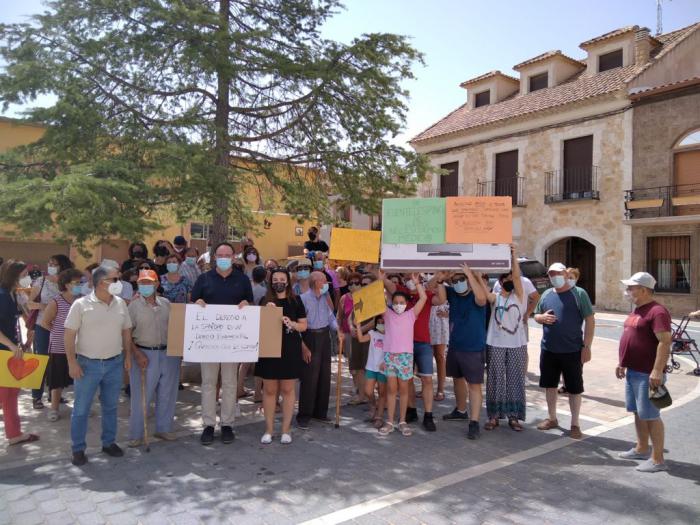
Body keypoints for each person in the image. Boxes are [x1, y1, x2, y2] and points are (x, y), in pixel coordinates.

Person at [64, 264, 134, 466]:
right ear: (101, 283)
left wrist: (128, 356)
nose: (118, 283)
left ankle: (108, 442)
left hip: (114, 363)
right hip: (87, 365)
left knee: (111, 407)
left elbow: (126, 331)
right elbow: (69, 335)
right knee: (81, 409)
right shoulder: (80, 305)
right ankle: (78, 449)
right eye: (114, 279)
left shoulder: (120, 303)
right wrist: (72, 362)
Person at [191, 242, 253, 445]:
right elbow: (193, 304)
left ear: (234, 257)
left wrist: (246, 305)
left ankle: (227, 424)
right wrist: (197, 304)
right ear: (214, 257)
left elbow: (250, 305)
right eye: (221, 254)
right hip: (208, 343)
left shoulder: (242, 280)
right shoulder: (204, 279)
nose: (225, 257)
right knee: (208, 383)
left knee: (229, 383)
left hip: (232, 343)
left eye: (228, 254)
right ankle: (208, 425)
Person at [616, 272, 671, 472]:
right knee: (638, 413)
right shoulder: (637, 311)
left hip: (647, 374)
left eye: (631, 288)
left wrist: (657, 371)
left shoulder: (657, 312)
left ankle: (658, 460)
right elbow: (630, 338)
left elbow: (665, 341)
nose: (627, 291)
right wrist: (622, 362)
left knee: (651, 415)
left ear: (644, 289)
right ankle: (641, 448)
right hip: (633, 372)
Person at [534, 262, 595, 440]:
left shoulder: (579, 294)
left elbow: (590, 321)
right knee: (550, 385)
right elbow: (536, 315)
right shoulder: (546, 294)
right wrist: (541, 317)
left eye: (557, 273)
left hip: (572, 350)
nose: (554, 277)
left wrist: (587, 347)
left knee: (574, 389)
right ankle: (552, 418)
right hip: (549, 349)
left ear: (565, 273)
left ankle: (575, 424)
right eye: (551, 274)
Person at [127, 270, 181, 446]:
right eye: (142, 283)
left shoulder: (166, 303)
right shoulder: (133, 306)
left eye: (149, 283)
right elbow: (126, 334)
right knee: (141, 395)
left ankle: (163, 428)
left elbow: (176, 328)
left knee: (167, 393)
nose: (145, 286)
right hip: (144, 354)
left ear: (157, 284)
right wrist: (136, 353)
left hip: (168, 353)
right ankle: (136, 433)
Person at [436, 264, 488, 440]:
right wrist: (442, 278)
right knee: (457, 379)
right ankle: (460, 410)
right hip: (455, 345)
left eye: (461, 279)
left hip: (473, 348)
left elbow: (482, 300)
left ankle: (474, 422)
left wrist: (470, 274)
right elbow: (440, 298)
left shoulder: (476, 293)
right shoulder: (451, 293)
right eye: (455, 280)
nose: (458, 282)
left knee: (474, 385)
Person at [256, 268, 307, 444]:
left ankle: (286, 429)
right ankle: (269, 430)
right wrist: (266, 311)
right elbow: (257, 324)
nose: (279, 282)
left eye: (282, 279)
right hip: (269, 350)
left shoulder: (296, 300)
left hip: (290, 350)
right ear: (271, 282)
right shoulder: (264, 300)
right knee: (269, 390)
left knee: (287, 390)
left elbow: (304, 326)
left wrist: (292, 324)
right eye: (275, 279)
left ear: (287, 282)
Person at [484, 246, 528, 432]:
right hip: (495, 344)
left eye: (512, 278)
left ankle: (514, 417)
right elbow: (483, 290)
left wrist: (514, 256)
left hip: (517, 344)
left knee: (515, 379)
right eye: (507, 278)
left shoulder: (520, 296)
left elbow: (517, 277)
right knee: (495, 379)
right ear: (501, 282)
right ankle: (494, 416)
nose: (511, 280)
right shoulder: (495, 298)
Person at [379, 273, 427, 437]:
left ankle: (402, 421)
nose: (398, 305)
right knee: (391, 390)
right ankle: (390, 421)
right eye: (396, 302)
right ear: (391, 303)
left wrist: (417, 283)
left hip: (405, 357)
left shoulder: (411, 314)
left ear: (406, 304)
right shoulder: (387, 314)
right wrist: (380, 280)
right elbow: (378, 297)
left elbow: (423, 298)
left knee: (404, 390)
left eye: (402, 303)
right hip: (390, 357)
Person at [0, 260, 40, 445]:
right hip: (4, 352)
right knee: (7, 395)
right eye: (24, 275)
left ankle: (14, 433)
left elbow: (14, 322)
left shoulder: (12, 295)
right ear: (13, 276)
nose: (26, 280)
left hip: (12, 351)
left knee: (10, 395)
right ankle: (14, 433)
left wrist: (24, 342)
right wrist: (11, 345)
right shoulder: (2, 296)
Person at [28, 254, 74, 409]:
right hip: (43, 326)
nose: (50, 265)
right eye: (49, 263)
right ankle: (36, 396)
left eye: (54, 263)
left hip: (63, 329)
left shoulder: (69, 284)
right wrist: (44, 307)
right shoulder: (41, 281)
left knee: (58, 361)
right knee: (41, 360)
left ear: (63, 266)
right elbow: (29, 304)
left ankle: (55, 395)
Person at [297, 271, 341, 429]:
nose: (326, 284)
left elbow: (330, 317)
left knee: (324, 374)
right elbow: (298, 325)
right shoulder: (302, 299)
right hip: (310, 337)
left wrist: (338, 330)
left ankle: (320, 412)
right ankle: (304, 415)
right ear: (315, 282)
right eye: (324, 281)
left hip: (324, 337)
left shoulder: (324, 298)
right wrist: (303, 346)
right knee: (309, 377)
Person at [40, 268, 84, 422]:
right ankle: (54, 409)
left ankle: (81, 408)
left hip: (80, 347)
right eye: (76, 282)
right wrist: (59, 333)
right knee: (57, 380)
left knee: (81, 379)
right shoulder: (56, 301)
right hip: (59, 347)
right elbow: (45, 322)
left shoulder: (83, 300)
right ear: (66, 284)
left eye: (80, 282)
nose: (79, 285)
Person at [354, 314, 387, 429]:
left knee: (382, 394)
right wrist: (358, 325)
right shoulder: (372, 334)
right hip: (371, 367)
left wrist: (386, 362)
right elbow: (361, 338)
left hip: (383, 369)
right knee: (368, 391)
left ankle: (379, 416)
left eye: (383, 322)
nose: (381, 324)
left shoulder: (390, 336)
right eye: (379, 322)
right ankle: (373, 405)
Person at [429, 283, 449, 402]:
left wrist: (448, 314)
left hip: (441, 326)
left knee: (440, 357)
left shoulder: (445, 286)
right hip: (427, 323)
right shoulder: (426, 282)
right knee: (426, 357)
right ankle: (426, 388)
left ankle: (440, 390)